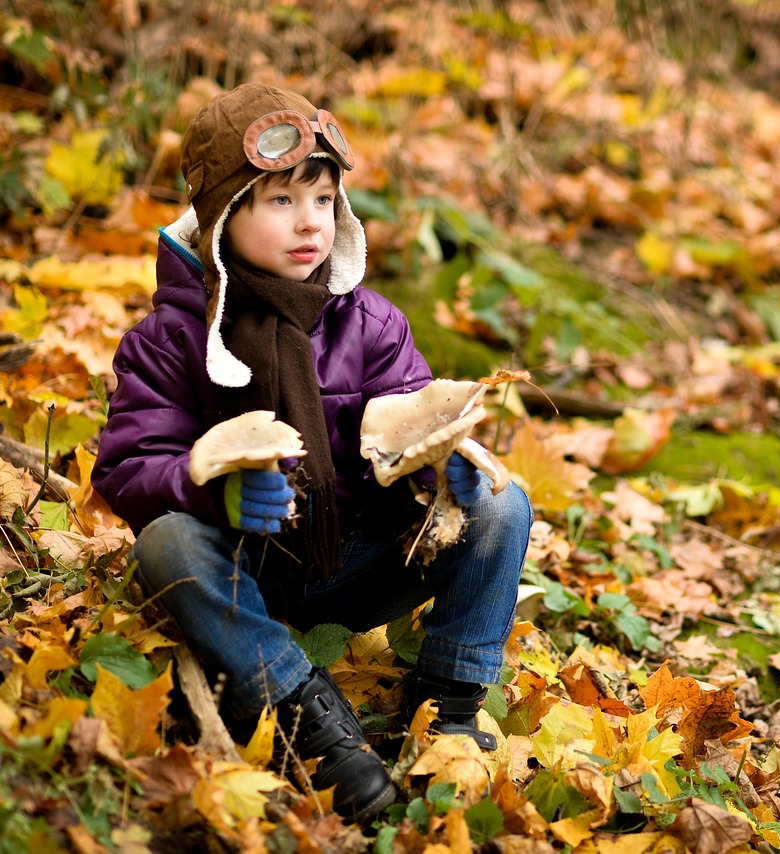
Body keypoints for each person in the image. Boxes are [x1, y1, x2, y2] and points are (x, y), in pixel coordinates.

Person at [92, 82, 533, 823]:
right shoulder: (171, 338)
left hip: (350, 563)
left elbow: (402, 429)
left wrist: (435, 472)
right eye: (281, 202)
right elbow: (129, 467)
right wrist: (214, 490)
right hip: (240, 572)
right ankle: (301, 709)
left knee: (500, 502)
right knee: (166, 544)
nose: (310, 223)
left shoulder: (371, 324)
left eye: (324, 201)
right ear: (225, 215)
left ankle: (449, 703)